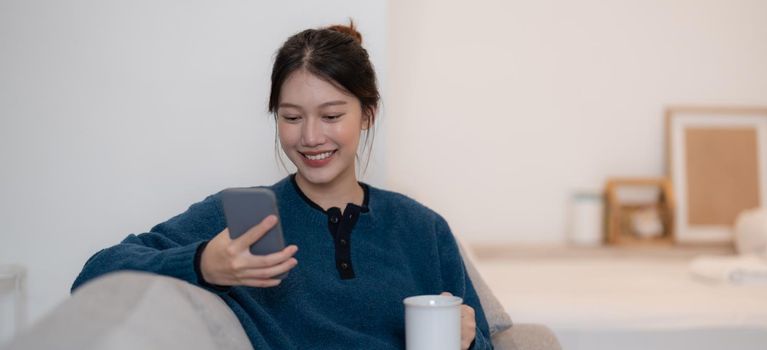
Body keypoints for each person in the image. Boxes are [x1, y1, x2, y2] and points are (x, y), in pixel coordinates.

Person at [71, 22, 493, 350]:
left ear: (367, 115)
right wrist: (202, 264)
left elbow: (488, 341)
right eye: (291, 118)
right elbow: (95, 275)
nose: (310, 137)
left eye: (331, 116)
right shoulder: (244, 218)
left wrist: (470, 340)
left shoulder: (422, 228)